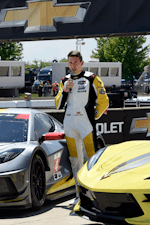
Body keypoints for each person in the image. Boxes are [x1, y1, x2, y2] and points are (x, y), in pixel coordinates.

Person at [54, 50, 109, 206]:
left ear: (82, 63)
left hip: (86, 125)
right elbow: (57, 104)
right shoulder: (65, 80)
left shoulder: (92, 78)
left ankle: (94, 196)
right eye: (70, 63)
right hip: (69, 125)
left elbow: (104, 100)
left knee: (91, 159)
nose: (73, 65)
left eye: (76, 62)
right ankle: (79, 196)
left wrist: (93, 116)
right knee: (75, 161)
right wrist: (64, 90)